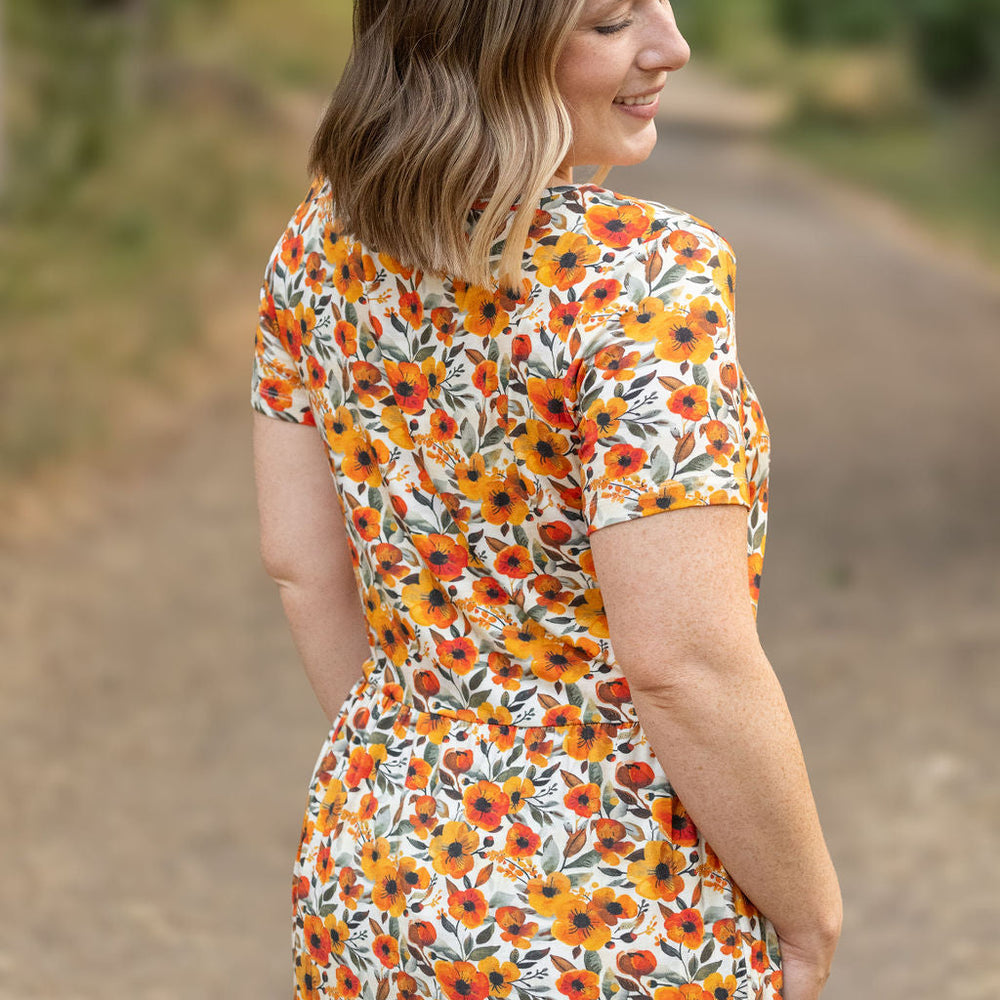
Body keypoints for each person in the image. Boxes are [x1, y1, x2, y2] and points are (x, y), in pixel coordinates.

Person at [251, 1, 843, 998]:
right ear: (477, 43)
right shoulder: (646, 277)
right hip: (617, 914)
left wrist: (427, 778)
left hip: (375, 879)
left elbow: (303, 565)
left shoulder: (319, 243)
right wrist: (807, 908)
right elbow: (683, 663)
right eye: (611, 22)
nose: (671, 46)